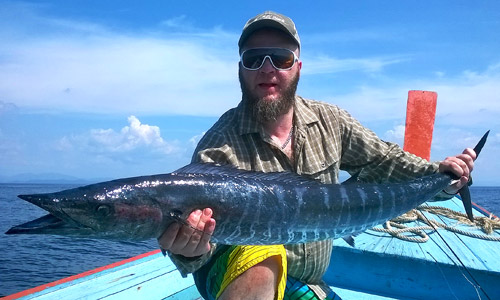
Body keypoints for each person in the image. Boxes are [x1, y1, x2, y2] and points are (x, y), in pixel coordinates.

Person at [158, 11, 476, 300]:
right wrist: (189, 251)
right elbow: (200, 251)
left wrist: (444, 178)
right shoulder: (217, 147)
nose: (267, 68)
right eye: (254, 58)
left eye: (281, 58)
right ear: (241, 69)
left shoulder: (331, 121)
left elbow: (388, 162)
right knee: (261, 255)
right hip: (234, 277)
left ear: (298, 67)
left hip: (308, 282)